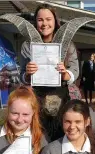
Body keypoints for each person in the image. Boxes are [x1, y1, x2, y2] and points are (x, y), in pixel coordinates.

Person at [20, 3, 79, 141]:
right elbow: (21, 75)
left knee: (61, 139)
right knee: (39, 139)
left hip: (61, 101)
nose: (44, 23)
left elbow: (75, 70)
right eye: (40, 20)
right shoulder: (27, 46)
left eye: (48, 19)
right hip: (37, 102)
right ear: (35, 22)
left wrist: (65, 74)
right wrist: (27, 73)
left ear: (55, 21)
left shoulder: (67, 45)